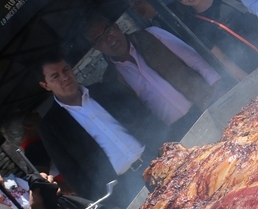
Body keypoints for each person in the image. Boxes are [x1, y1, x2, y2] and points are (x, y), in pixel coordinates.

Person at [36, 53, 168, 208]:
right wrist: (109, 205)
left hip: (156, 159)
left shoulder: (104, 89)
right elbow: (73, 175)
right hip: (125, 189)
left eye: (66, 70)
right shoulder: (51, 126)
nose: (64, 77)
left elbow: (146, 117)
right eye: (55, 76)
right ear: (45, 85)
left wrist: (167, 146)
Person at [81, 14, 223, 138]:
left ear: (116, 27)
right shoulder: (111, 79)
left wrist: (217, 84)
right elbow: (137, 116)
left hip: (206, 100)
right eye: (100, 40)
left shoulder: (151, 35)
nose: (109, 39)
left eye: (108, 31)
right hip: (180, 129)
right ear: (96, 47)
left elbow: (192, 57)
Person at [165, 0, 258, 78]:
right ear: (177, 0)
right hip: (255, 69)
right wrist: (251, 81)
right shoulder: (195, 27)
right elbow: (223, 59)